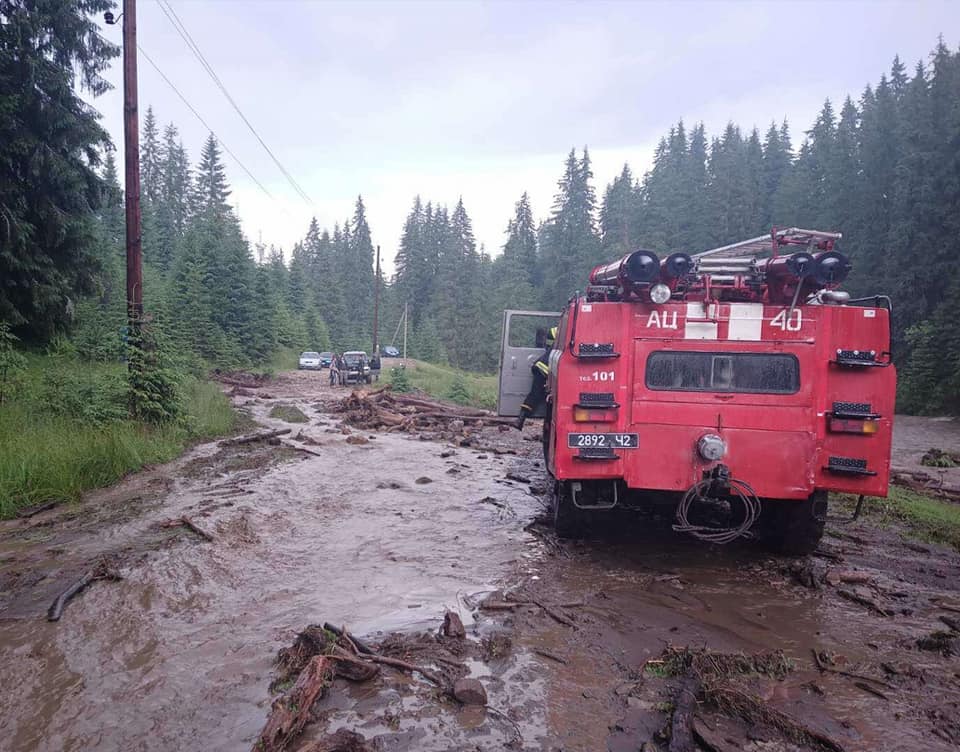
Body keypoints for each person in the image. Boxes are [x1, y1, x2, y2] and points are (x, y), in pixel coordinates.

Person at [515, 326, 557, 430]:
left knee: (541, 395)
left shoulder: (561, 335)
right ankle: (520, 420)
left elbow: (549, 334)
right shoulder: (567, 335)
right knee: (537, 394)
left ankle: (521, 420)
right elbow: (549, 333)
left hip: (542, 368)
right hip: (545, 370)